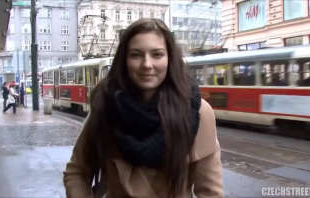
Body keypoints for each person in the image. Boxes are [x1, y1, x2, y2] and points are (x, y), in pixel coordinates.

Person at [63, 18, 223, 198]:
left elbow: (210, 192)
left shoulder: (197, 113)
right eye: (136, 55)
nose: (147, 64)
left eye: (157, 54)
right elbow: (77, 172)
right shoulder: (106, 107)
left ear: (170, 59)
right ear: (124, 60)